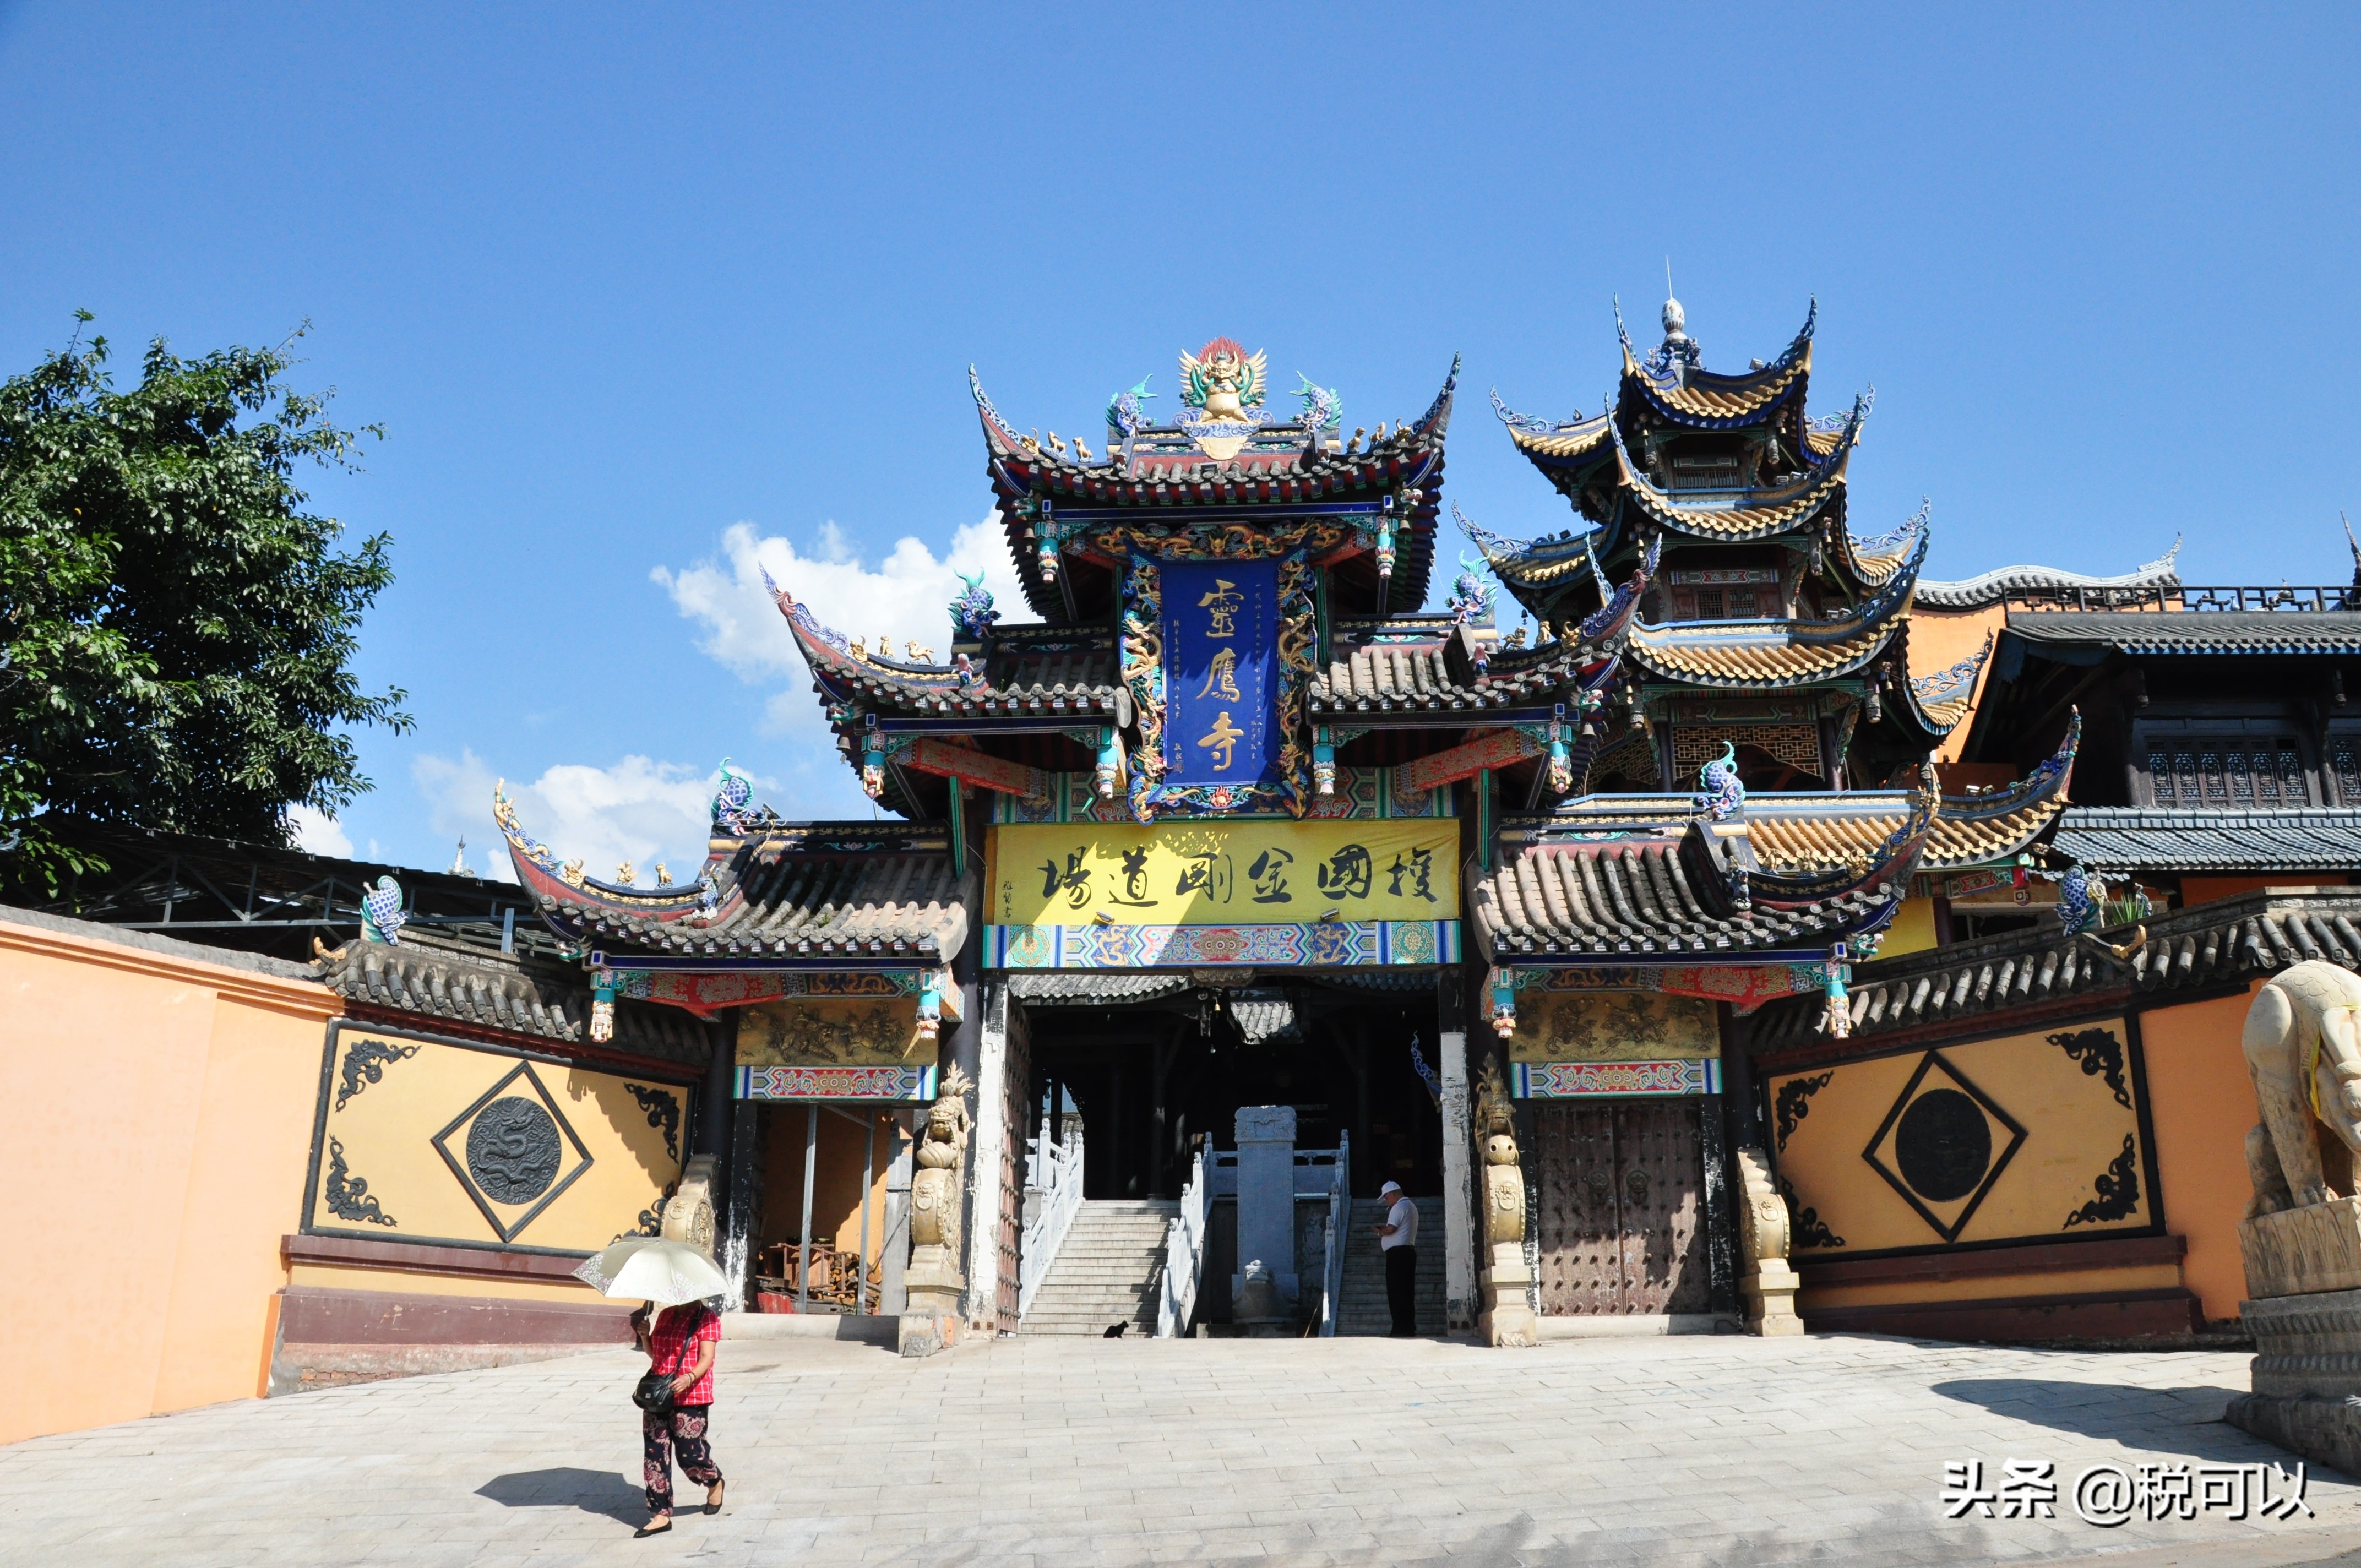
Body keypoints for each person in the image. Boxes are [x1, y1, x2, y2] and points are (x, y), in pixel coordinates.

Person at [632, 1300, 725, 1536]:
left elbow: (707, 1356)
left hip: (691, 1396)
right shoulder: (665, 1315)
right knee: (655, 1454)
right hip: (659, 1395)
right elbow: (658, 1357)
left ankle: (714, 1481)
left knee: (691, 1454)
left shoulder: (707, 1317)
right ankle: (660, 1513)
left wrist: (690, 1378)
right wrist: (645, 1337)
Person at [1373, 1179, 1419, 1337]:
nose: (1387, 1201)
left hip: (1398, 1254)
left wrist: (1380, 1230)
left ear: (1393, 1194)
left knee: (1397, 1292)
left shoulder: (1399, 1207)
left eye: (1386, 1197)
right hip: (1407, 1252)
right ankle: (1407, 1326)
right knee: (1406, 1292)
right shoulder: (1411, 1206)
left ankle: (1400, 1327)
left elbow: (1391, 1229)